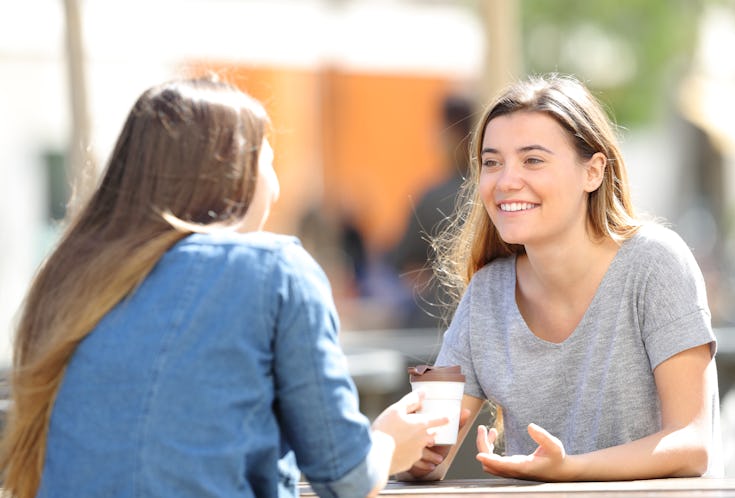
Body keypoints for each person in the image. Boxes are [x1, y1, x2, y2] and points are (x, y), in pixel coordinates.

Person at [0, 77, 447, 498]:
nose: (274, 188)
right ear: (238, 176)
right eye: (269, 164)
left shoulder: (68, 278)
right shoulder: (275, 271)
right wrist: (388, 442)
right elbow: (347, 477)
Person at [400, 74, 723, 482]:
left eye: (533, 160)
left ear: (593, 172)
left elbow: (692, 444)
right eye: (492, 162)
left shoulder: (655, 263)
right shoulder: (487, 293)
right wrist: (409, 452)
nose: (506, 181)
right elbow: (431, 457)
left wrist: (568, 470)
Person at [387, 94, 475, 328]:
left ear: (449, 135)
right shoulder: (497, 192)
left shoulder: (434, 196)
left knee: (424, 365)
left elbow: (400, 263)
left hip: (434, 327)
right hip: (488, 326)